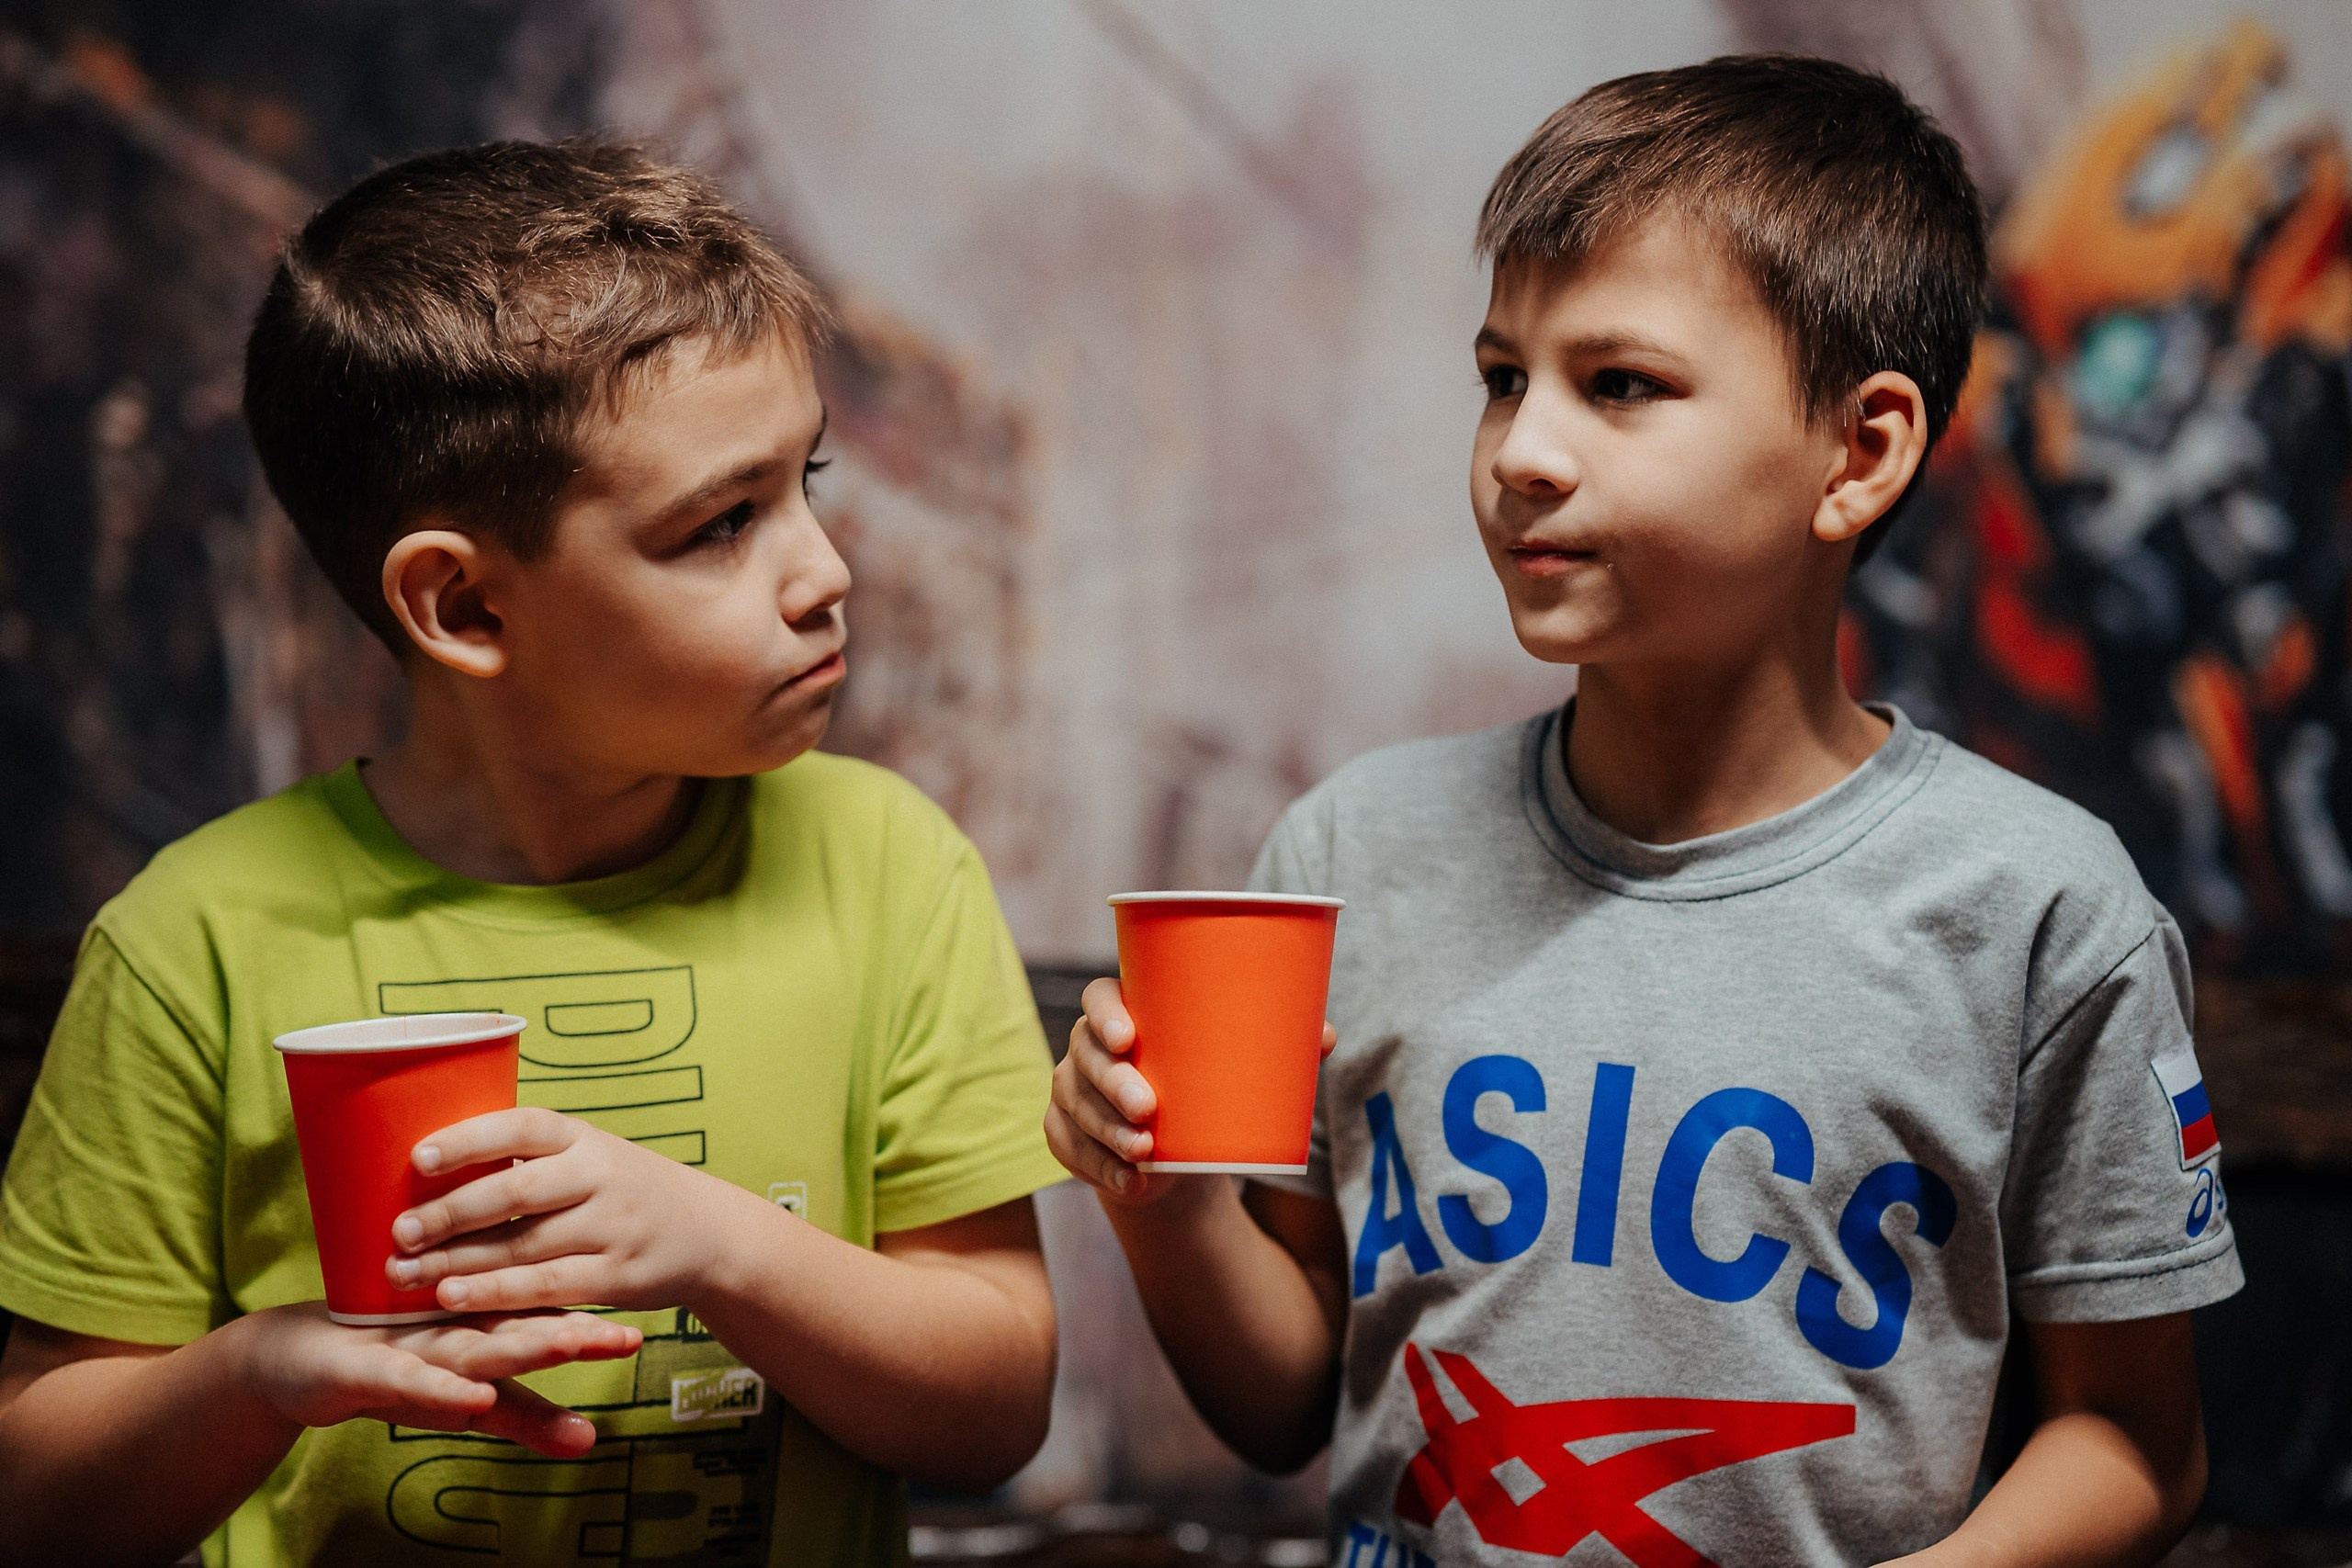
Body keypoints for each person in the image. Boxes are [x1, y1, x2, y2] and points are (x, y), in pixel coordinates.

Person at [1047, 56, 2241, 1568]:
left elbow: (2137, 1445)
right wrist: (1162, 1207)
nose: (1522, 452)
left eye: (1619, 385)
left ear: (1859, 453)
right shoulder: (1349, 854)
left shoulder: (2042, 913)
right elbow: (1286, 1402)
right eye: (1502, 378)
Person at [0, 140, 1064, 1566]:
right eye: (724, 523)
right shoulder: (195, 942)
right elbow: (36, 1507)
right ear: (466, 609)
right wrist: (256, 1377)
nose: (826, 572)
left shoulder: (889, 870)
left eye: (803, 480)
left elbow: (996, 1410)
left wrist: (723, 1246)